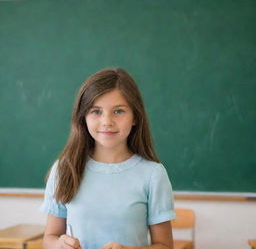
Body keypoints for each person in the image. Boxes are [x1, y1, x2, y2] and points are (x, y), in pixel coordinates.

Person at [40, 68, 176, 249]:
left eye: (118, 111)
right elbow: (50, 238)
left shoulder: (153, 175)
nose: (107, 121)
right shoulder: (65, 168)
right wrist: (59, 244)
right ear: (83, 117)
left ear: (135, 117)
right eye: (96, 111)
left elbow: (165, 245)